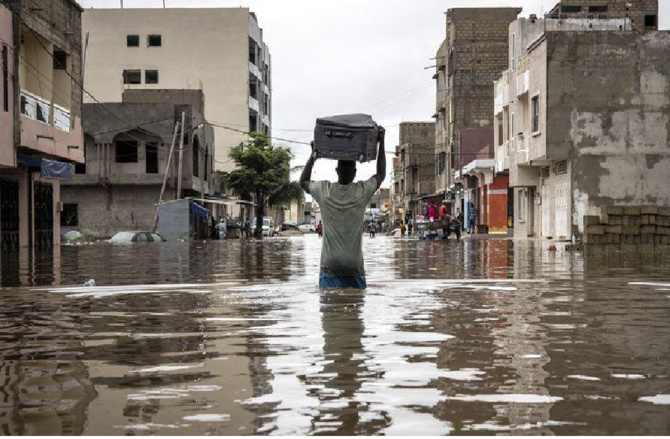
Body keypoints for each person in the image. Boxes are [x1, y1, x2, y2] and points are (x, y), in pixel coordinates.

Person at [300, 126, 386, 289]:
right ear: (354, 173)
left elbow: (303, 181)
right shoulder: (361, 191)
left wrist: (313, 155)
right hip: (354, 266)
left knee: (330, 310)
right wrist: (381, 141)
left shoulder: (324, 191)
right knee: (355, 310)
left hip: (330, 265)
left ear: (336, 170)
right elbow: (381, 174)